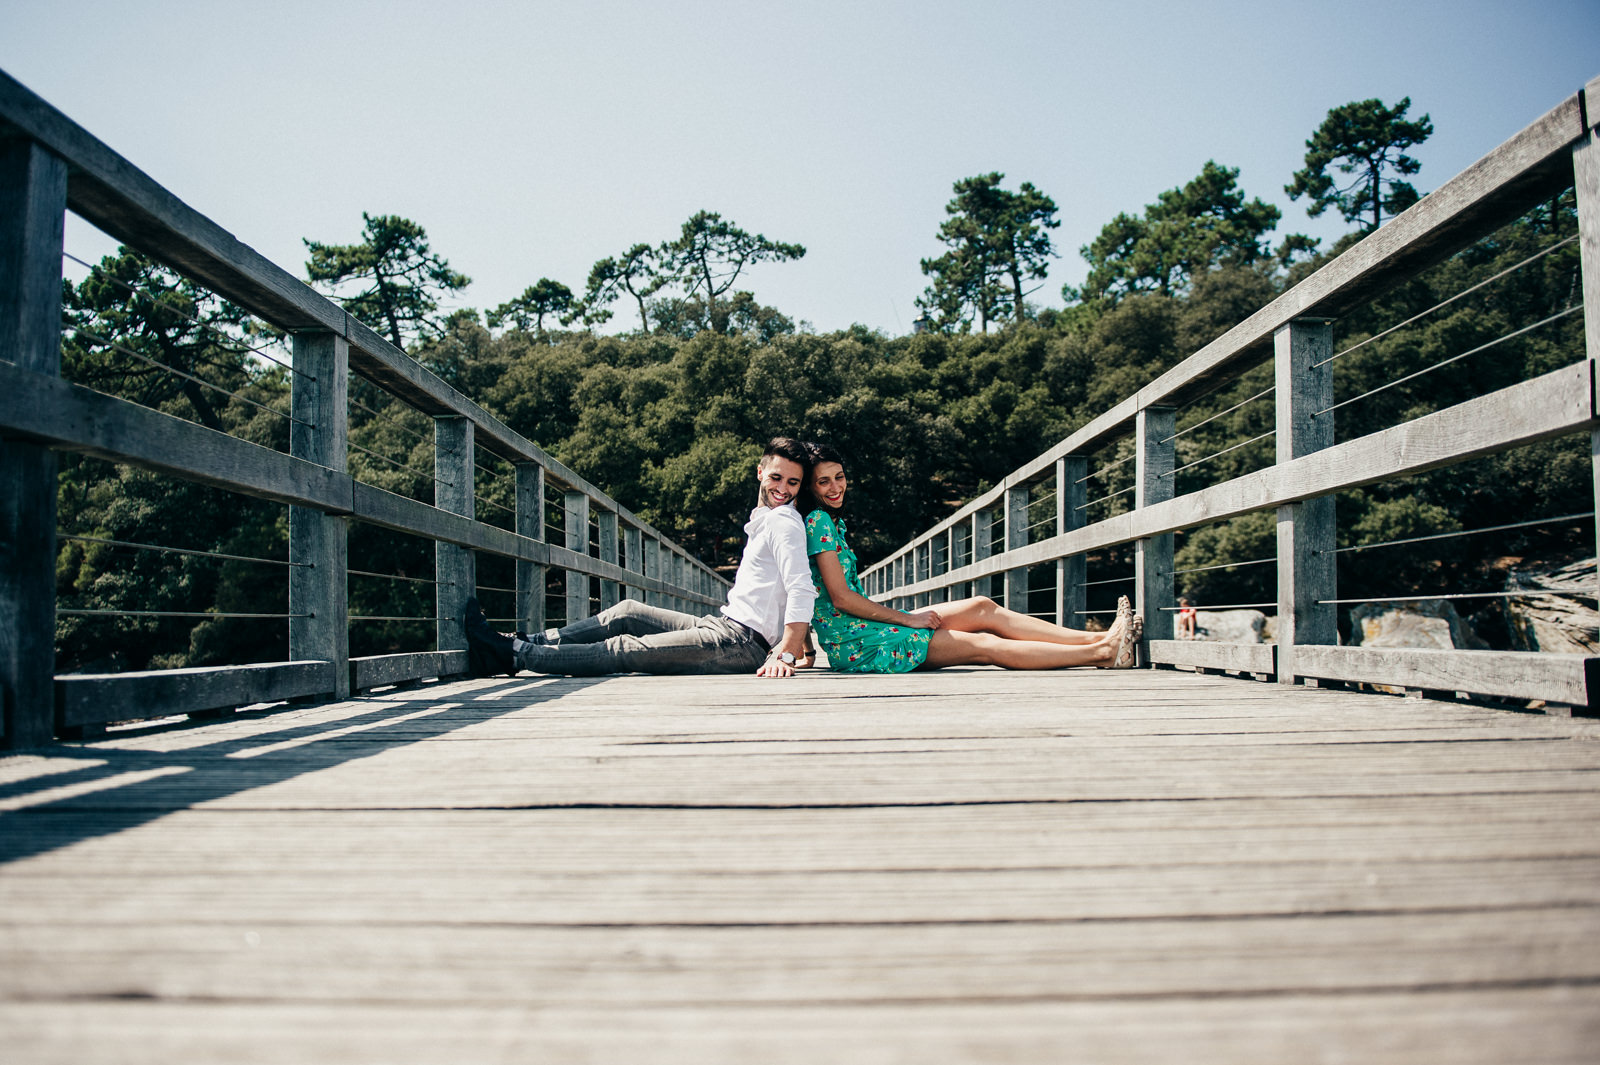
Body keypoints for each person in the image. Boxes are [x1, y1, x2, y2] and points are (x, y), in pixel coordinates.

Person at [464, 437, 815, 679]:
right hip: (723, 625)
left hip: (739, 644)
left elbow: (801, 587)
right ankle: (526, 641)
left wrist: (787, 652)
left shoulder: (785, 521)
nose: (783, 488)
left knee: (625, 648)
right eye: (776, 477)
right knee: (627, 611)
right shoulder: (765, 516)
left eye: (794, 483)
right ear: (760, 472)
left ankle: (511, 654)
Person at [797, 441, 1141, 672]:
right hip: (856, 642)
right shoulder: (817, 521)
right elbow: (840, 599)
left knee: (981, 606)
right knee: (983, 645)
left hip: (865, 627)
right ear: (811, 488)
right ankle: (1103, 653)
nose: (835, 487)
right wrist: (906, 619)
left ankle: (1100, 637)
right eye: (824, 482)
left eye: (839, 477)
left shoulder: (831, 522)